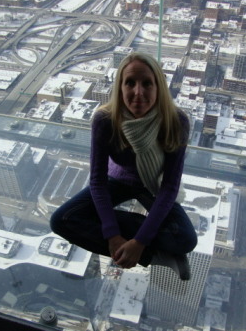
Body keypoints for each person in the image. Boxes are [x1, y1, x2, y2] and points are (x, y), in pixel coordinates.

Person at [50, 52, 197, 280]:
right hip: (116, 179)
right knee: (61, 220)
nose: (138, 92)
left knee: (186, 239)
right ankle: (156, 255)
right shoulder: (106, 119)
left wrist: (139, 240)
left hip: (153, 183)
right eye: (130, 83)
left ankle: (147, 244)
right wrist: (113, 235)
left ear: (159, 87)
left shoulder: (177, 122)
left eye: (147, 83)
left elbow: (169, 186)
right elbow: (98, 181)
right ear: (120, 87)